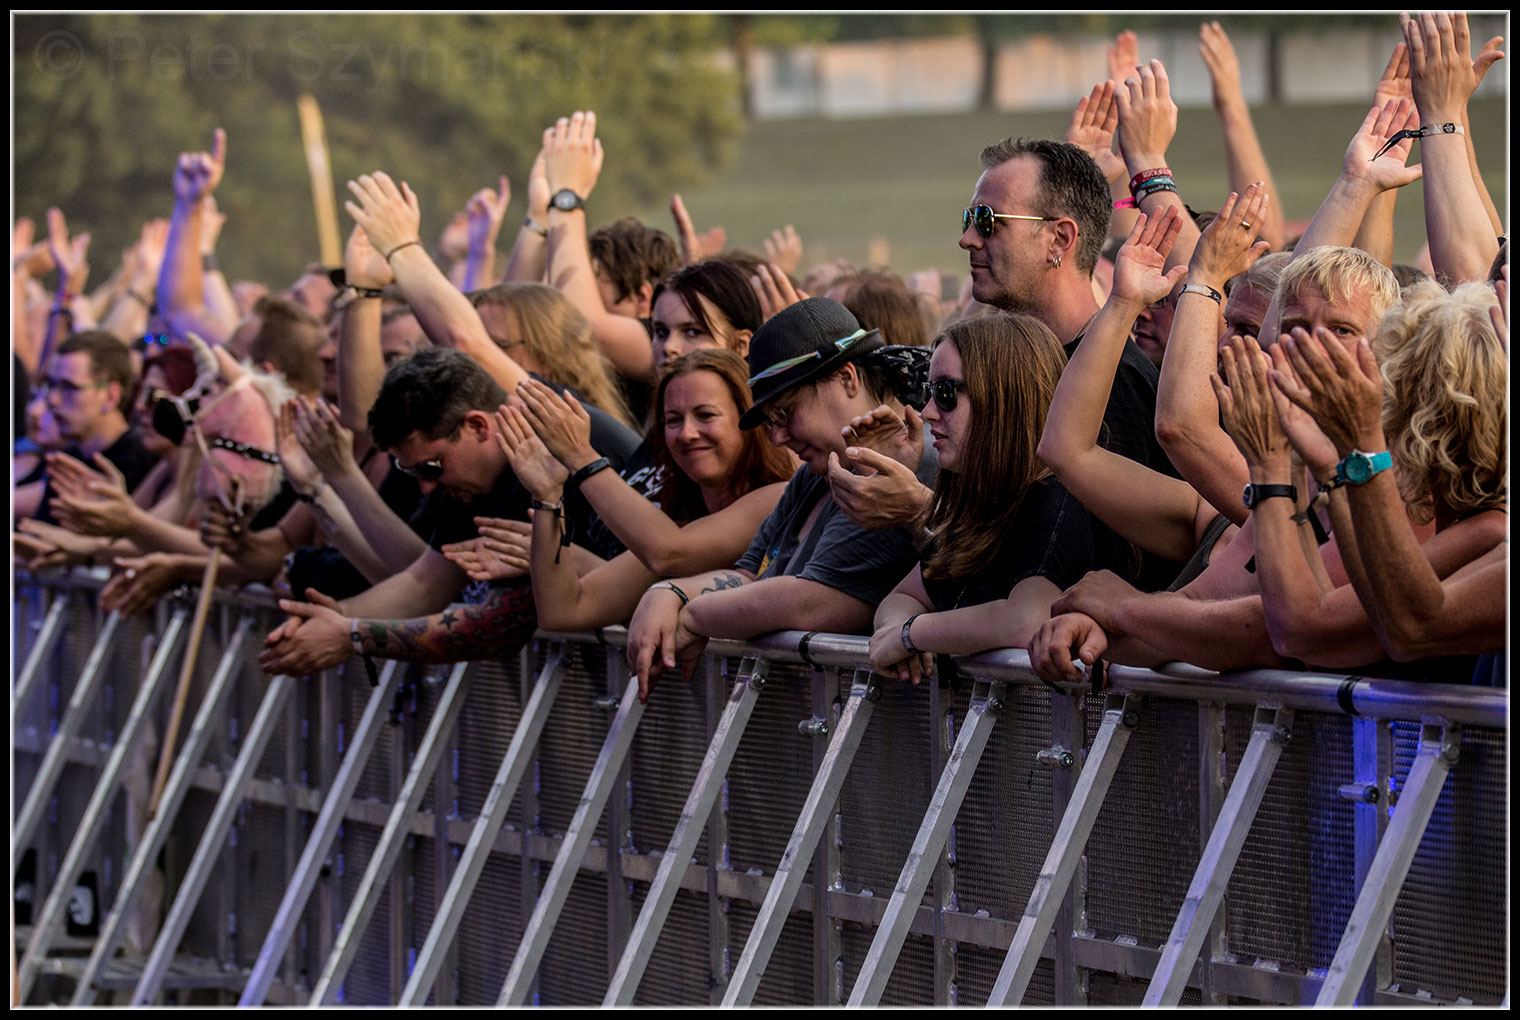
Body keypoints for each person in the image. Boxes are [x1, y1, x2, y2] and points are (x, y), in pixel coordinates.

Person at [623, 297, 936, 703]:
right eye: (770, 422)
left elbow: (815, 603)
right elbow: (750, 576)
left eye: (785, 414)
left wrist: (693, 615)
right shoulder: (816, 472)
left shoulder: (899, 463)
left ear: (847, 378)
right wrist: (668, 591)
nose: (777, 438)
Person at [257, 346, 640, 674]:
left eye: (429, 468)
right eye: (411, 473)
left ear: (478, 426)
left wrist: (353, 635)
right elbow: (425, 583)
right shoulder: (471, 474)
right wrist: (336, 617)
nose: (426, 487)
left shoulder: (546, 452)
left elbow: (499, 627)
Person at [481, 350, 793, 632]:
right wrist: (548, 496)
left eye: (706, 415)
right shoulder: (678, 526)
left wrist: (582, 457)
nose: (687, 433)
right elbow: (563, 611)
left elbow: (669, 554)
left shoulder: (778, 497)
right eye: (673, 420)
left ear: (750, 420)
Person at [868, 312, 1093, 682]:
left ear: (1005, 398)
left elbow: (1028, 622)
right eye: (928, 392)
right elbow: (903, 597)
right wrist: (899, 630)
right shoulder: (977, 500)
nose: (927, 413)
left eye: (945, 393)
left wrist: (912, 635)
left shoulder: (1053, 497)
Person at [29, 331, 156, 526]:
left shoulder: (139, 459)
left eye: (69, 387)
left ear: (111, 396)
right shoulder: (70, 456)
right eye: (52, 385)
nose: (53, 399)